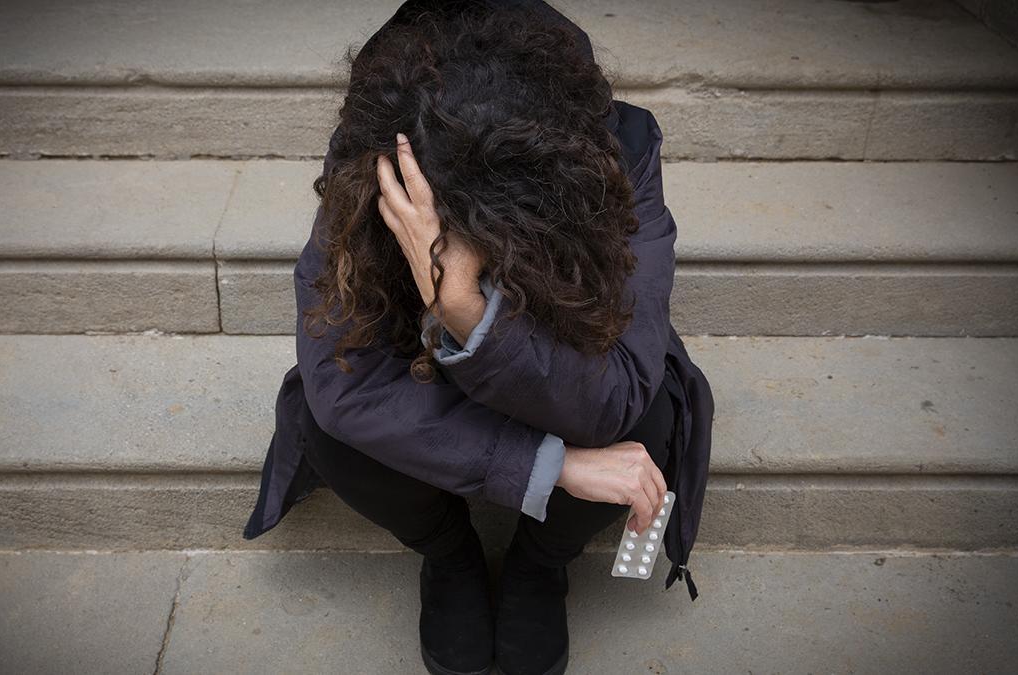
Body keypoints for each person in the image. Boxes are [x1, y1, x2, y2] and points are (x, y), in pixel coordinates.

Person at [241, 2, 716, 674]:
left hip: (563, 362)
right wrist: (553, 467)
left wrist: (464, 304)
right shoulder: (383, 154)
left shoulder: (619, 152)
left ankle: (541, 561)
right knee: (330, 423)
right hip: (426, 374)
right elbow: (345, 388)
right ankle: (448, 552)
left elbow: (611, 398)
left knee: (651, 414)